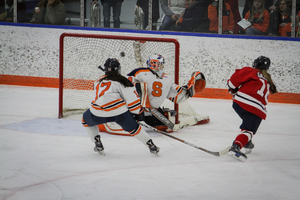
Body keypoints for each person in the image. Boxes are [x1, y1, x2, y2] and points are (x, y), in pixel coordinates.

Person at [82, 58, 160, 154]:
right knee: (134, 129)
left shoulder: (98, 80)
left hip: (98, 112)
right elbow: (133, 102)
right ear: (118, 69)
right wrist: (137, 115)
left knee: (85, 120)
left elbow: (101, 96)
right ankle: (150, 144)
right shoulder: (124, 81)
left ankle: (97, 141)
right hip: (119, 113)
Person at [127, 54, 208, 131]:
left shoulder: (138, 72)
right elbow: (177, 96)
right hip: (149, 114)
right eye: (161, 63)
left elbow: (124, 85)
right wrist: (188, 90)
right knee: (164, 121)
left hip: (135, 112)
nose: (162, 65)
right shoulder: (166, 78)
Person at [227, 56, 278, 162]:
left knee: (247, 123)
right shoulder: (267, 80)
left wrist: (232, 90)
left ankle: (246, 141)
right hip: (256, 109)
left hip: (239, 103)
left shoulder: (250, 71)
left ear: (255, 64)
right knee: (249, 130)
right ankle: (236, 146)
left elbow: (232, 83)